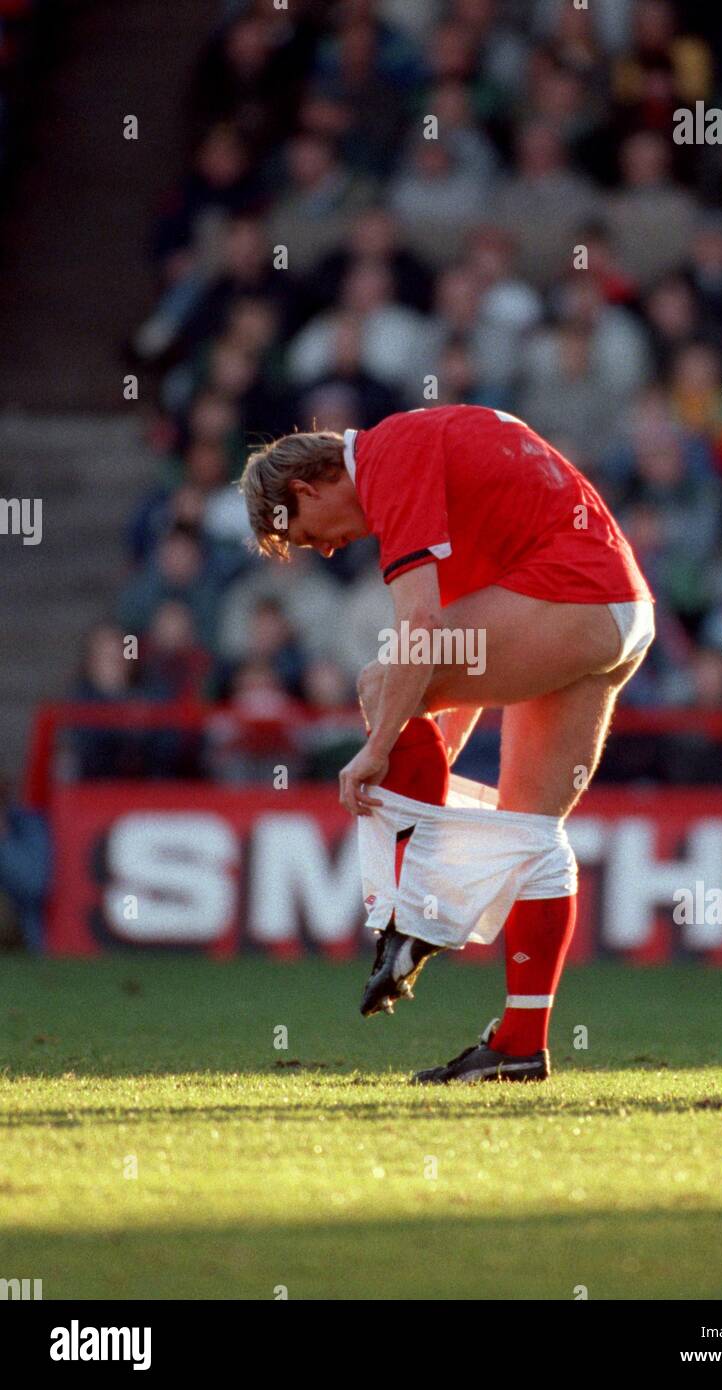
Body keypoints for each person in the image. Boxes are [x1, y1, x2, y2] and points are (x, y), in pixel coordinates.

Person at [240, 405, 654, 1083]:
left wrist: (378, 751)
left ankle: (410, 914)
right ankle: (520, 1044)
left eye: (312, 537)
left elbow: (424, 629)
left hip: (573, 596)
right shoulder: (425, 456)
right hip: (615, 612)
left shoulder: (386, 458)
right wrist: (415, 751)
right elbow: (451, 671)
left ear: (307, 490)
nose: (331, 548)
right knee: (529, 833)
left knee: (380, 682)